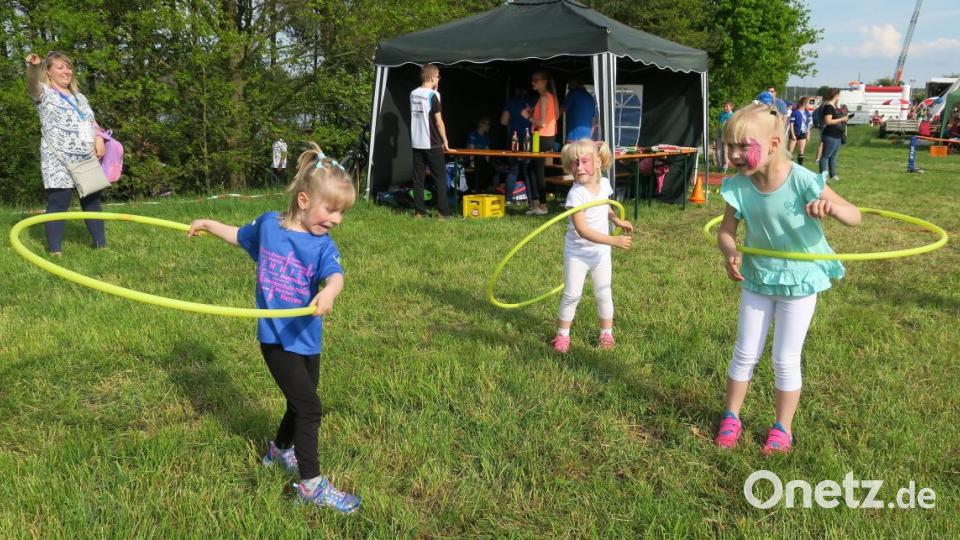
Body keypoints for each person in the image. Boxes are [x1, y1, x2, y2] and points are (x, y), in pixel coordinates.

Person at [187, 143, 361, 513]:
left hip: (307, 337)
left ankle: (279, 451)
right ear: (302, 200)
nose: (335, 219)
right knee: (310, 407)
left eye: (341, 212)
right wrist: (206, 223)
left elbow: (336, 275)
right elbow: (238, 235)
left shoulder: (322, 245)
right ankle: (311, 486)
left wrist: (329, 291)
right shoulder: (268, 227)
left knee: (300, 403)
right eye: (330, 209)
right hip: (276, 339)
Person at [713, 104, 861, 455]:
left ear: (775, 143)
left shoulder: (802, 180)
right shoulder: (739, 186)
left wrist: (834, 210)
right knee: (744, 351)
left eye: (741, 146)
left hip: (799, 280)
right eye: (728, 146)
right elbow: (725, 231)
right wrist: (730, 250)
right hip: (759, 277)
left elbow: (855, 215)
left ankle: (782, 427)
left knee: (785, 358)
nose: (733, 155)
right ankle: (731, 416)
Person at [550, 139, 634, 354]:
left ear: (598, 162)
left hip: (600, 255)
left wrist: (616, 221)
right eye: (574, 164)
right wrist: (613, 241)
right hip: (577, 254)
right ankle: (562, 336)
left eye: (585, 162)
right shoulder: (576, 194)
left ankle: (606, 334)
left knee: (604, 293)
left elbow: (605, 206)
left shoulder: (604, 184)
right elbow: (583, 230)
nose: (579, 168)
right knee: (572, 294)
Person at [24, 51, 107, 256]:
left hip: (85, 157)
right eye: (60, 67)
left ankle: (101, 246)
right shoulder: (44, 94)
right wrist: (34, 67)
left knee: (92, 202)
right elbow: (31, 84)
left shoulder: (80, 98)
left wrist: (99, 139)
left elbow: (92, 122)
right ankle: (55, 251)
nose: (66, 71)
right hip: (58, 160)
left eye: (68, 67)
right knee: (58, 203)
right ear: (49, 72)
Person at [409, 63, 451, 218]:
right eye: (438, 76)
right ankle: (443, 213)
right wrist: (445, 140)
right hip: (432, 141)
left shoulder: (413, 93)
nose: (439, 79)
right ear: (433, 77)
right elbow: (438, 122)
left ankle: (418, 212)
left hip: (416, 141)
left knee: (418, 178)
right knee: (440, 178)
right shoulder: (433, 96)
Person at [523, 70, 559, 215]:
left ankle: (542, 206)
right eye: (532, 80)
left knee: (537, 171)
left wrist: (527, 117)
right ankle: (537, 204)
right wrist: (532, 113)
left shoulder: (545, 97)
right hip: (545, 137)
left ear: (544, 81)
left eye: (536, 80)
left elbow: (542, 123)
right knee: (532, 169)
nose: (533, 83)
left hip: (542, 136)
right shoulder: (547, 98)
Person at [500, 86, 536, 204]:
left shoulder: (511, 102)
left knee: (513, 169)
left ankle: (508, 200)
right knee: (528, 170)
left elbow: (503, 121)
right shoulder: (533, 101)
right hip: (528, 137)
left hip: (513, 137)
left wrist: (513, 122)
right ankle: (532, 200)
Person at [818, 88, 848, 181]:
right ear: (836, 95)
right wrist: (841, 119)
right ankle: (823, 176)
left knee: (834, 156)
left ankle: (833, 174)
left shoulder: (834, 106)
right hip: (830, 135)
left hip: (837, 135)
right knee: (825, 156)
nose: (840, 97)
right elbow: (828, 121)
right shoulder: (829, 107)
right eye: (839, 95)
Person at [465, 117, 494, 193]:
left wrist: (487, 163)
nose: (489, 126)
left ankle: (481, 189)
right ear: (481, 125)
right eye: (487, 124)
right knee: (478, 169)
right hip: (471, 159)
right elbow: (471, 151)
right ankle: (475, 189)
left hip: (481, 160)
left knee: (490, 169)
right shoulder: (473, 134)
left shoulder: (486, 137)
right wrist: (471, 164)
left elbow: (487, 152)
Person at [787, 96, 813, 165]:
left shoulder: (807, 113)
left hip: (803, 133)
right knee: (789, 151)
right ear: (804, 103)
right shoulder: (795, 112)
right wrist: (792, 134)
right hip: (795, 133)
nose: (809, 105)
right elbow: (791, 124)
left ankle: (800, 166)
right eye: (808, 103)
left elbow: (808, 125)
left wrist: (808, 133)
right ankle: (788, 165)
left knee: (801, 151)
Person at [717, 101, 735, 171]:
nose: (725, 108)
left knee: (725, 151)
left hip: (726, 134)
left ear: (731, 107)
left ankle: (725, 166)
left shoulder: (732, 115)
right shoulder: (721, 114)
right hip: (719, 134)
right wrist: (716, 133)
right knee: (718, 151)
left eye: (727, 106)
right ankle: (719, 166)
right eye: (724, 106)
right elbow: (719, 124)